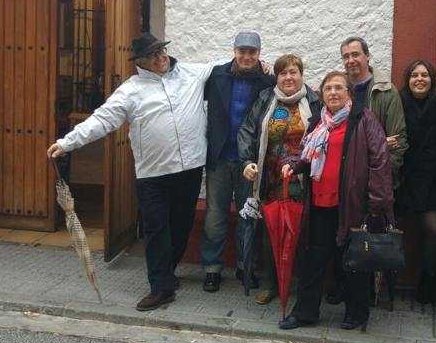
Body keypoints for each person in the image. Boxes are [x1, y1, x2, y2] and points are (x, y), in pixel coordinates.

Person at [47, 33, 223, 311]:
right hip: (152, 174)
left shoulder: (191, 73)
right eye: (153, 55)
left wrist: (257, 64)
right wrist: (67, 143)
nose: (160, 56)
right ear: (140, 62)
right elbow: (102, 119)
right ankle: (161, 288)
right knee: (156, 229)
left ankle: (167, 274)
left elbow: (224, 66)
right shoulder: (131, 90)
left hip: (190, 169)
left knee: (180, 227)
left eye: (162, 51)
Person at [278, 71, 393, 330]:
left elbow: (380, 161)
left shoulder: (364, 119)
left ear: (349, 94)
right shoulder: (320, 122)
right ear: (322, 94)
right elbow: (305, 153)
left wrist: (377, 203)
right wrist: (292, 164)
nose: (333, 92)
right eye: (328, 88)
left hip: (352, 206)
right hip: (318, 204)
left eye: (339, 88)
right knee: (313, 260)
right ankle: (305, 313)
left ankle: (356, 313)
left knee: (353, 261)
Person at [326, 36, 408, 305]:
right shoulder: (340, 89)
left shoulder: (385, 91)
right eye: (346, 56)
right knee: (340, 237)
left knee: (366, 240)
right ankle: (340, 287)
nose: (351, 60)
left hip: (372, 184)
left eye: (355, 54)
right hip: (342, 183)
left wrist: (380, 183)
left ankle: (365, 298)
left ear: (367, 56)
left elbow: (398, 141)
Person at [237, 54, 320, 305]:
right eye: (283, 73)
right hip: (270, 179)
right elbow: (247, 131)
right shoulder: (265, 99)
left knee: (303, 234)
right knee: (270, 232)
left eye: (293, 72)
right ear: (277, 77)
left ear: (302, 75)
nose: (288, 77)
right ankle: (271, 284)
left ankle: (302, 286)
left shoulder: (315, 101)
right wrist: (247, 162)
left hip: (303, 181)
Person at [202, 31, 276, 293]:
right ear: (234, 51)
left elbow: (293, 88)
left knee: (249, 216)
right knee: (214, 216)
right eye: (242, 51)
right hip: (219, 158)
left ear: (259, 53)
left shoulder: (269, 78)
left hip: (251, 161)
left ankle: (246, 267)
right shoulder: (217, 75)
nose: (247, 56)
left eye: (252, 52)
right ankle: (212, 269)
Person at [395, 60, 436, 306]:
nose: (420, 79)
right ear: (408, 79)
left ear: (432, 79)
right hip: (421, 178)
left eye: (424, 75)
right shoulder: (400, 102)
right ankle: (427, 278)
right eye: (414, 75)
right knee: (432, 231)